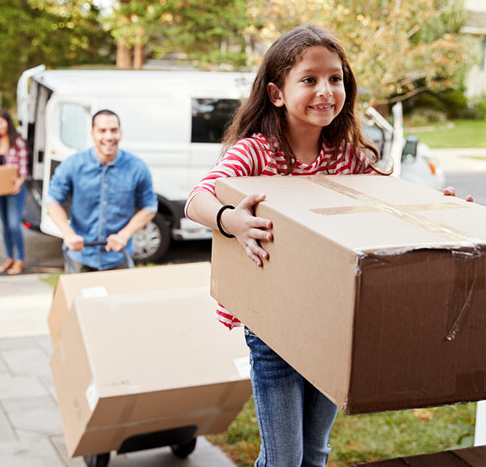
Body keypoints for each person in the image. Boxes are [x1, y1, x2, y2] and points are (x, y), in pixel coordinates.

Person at [185, 25, 470, 467]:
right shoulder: (256, 153)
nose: (326, 90)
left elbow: (391, 204)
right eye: (310, 79)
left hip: (331, 322)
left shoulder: (347, 156)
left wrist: (437, 209)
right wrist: (233, 221)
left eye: (335, 79)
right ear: (277, 94)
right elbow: (196, 199)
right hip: (273, 325)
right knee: (284, 459)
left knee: (315, 452)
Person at [45, 109, 157, 272]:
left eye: (113, 130)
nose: (109, 137)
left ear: (121, 133)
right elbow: (52, 201)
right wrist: (68, 233)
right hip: (80, 257)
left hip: (119, 256)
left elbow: (149, 207)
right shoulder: (73, 164)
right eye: (102, 131)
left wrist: (124, 235)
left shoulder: (137, 168)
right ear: (92, 134)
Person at [0, 109, 28, 275]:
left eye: (1, 122)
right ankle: (8, 258)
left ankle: (20, 259)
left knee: (13, 224)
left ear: (8, 122)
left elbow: (24, 167)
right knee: (4, 225)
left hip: (14, 189)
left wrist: (19, 181)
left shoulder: (17, 140)